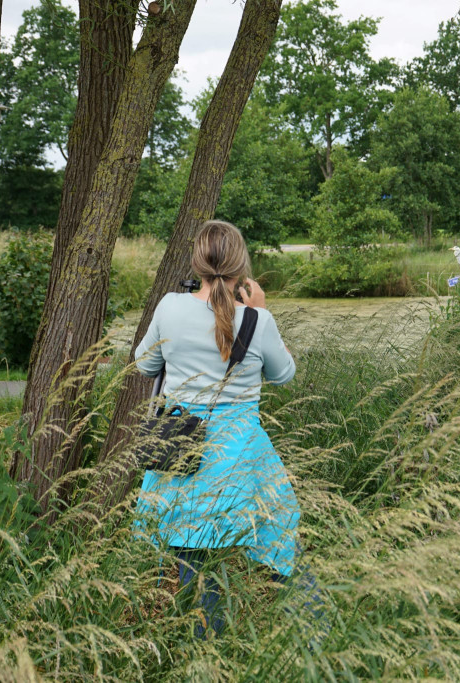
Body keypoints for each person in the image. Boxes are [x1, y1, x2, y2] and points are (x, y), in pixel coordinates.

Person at [133, 219, 321, 637]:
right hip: (241, 454)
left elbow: (145, 364)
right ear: (241, 268)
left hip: (183, 448)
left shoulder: (168, 307)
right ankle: (313, 631)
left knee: (192, 552)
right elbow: (284, 374)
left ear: (197, 263)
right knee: (280, 537)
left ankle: (202, 645)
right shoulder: (257, 320)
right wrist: (261, 311)